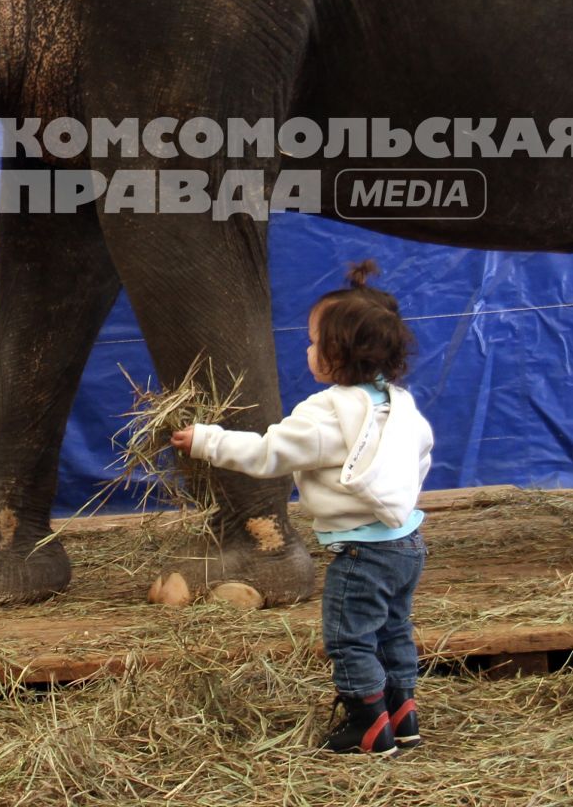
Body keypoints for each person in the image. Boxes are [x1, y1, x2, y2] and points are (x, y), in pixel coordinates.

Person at [171, 259, 435, 756]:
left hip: (360, 555)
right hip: (407, 543)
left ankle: (367, 725)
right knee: (394, 628)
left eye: (314, 341)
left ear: (337, 355)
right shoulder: (399, 404)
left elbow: (268, 453)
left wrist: (206, 440)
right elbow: (420, 459)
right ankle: (403, 713)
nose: (308, 349)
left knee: (349, 638)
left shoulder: (326, 414)